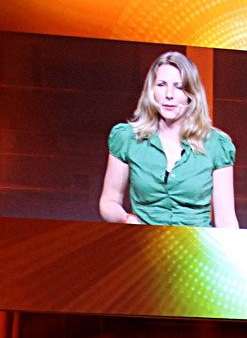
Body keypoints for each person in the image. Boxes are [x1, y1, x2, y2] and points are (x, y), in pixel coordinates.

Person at [99, 51, 239, 227]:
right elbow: (108, 202)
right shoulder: (127, 138)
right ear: (151, 90)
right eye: (161, 85)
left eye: (179, 87)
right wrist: (128, 219)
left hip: (195, 250)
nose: (169, 95)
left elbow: (226, 219)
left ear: (191, 94)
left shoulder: (216, 145)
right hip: (143, 244)